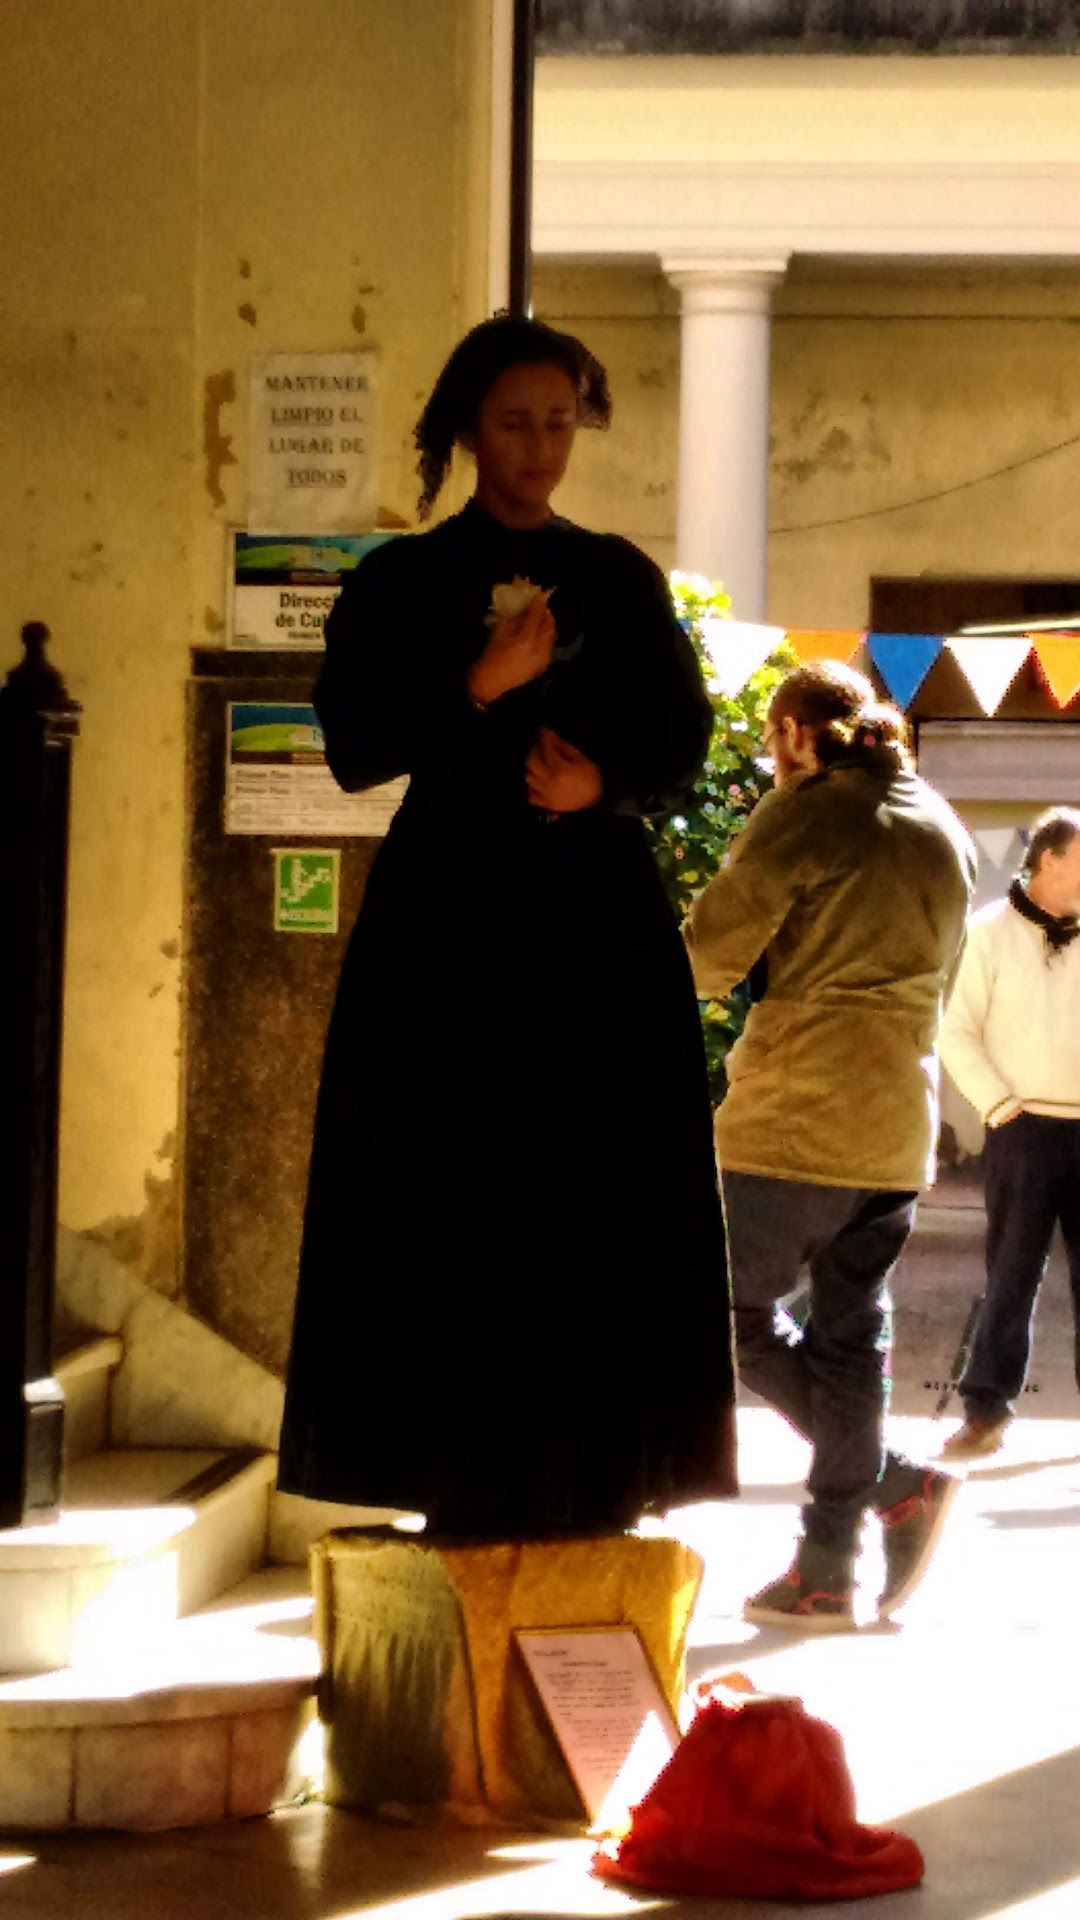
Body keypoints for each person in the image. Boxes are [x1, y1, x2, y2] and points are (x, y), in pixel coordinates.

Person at [278, 314, 736, 1538]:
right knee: (448, 1183)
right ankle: (454, 1474)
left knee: (598, 1187)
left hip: (596, 927)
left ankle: (600, 1474)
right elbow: (355, 746)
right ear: (470, 432)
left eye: (558, 423)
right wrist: (474, 686)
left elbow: (682, 742)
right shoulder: (401, 580)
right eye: (515, 422)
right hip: (450, 924)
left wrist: (604, 786)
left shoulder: (621, 577)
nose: (540, 446)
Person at [683, 661, 976, 1629]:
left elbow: (704, 956)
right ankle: (827, 1569)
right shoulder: (942, 824)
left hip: (796, 1118)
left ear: (798, 733)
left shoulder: (811, 810)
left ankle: (890, 1487)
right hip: (895, 1129)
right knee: (851, 1341)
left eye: (773, 742)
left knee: (718, 1313)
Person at [938, 807, 1080, 1459]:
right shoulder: (987, 934)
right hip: (1021, 1128)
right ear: (1050, 860)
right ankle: (986, 1409)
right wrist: (1000, 1108)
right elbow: (955, 1030)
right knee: (1011, 1276)